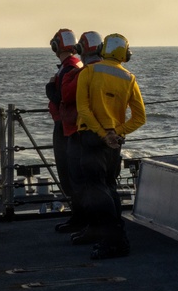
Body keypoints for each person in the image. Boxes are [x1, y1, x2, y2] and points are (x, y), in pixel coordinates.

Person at [73, 33, 146, 259]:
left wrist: (103, 134)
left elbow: (83, 109)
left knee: (96, 189)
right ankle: (115, 235)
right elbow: (139, 117)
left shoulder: (89, 72)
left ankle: (114, 241)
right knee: (109, 186)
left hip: (91, 137)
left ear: (103, 49)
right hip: (114, 142)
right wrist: (117, 133)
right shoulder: (129, 78)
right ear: (126, 54)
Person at [56, 30, 103, 235]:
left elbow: (64, 95)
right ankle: (96, 223)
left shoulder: (76, 71)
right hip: (97, 131)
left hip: (76, 130)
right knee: (97, 181)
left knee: (77, 179)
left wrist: (52, 84)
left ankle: (86, 222)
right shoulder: (104, 71)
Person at [46, 28, 81, 206]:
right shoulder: (75, 65)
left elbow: (61, 97)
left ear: (55, 46)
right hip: (69, 124)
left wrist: (50, 88)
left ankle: (78, 214)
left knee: (67, 172)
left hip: (64, 126)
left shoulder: (68, 69)